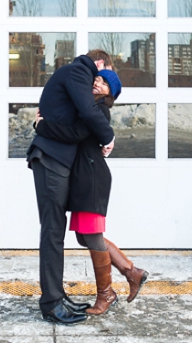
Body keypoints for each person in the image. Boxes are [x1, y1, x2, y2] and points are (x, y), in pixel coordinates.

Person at [35, 70, 148, 315]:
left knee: (93, 236)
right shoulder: (87, 106)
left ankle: (107, 293)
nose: (98, 82)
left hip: (92, 178)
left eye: (105, 83)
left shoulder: (99, 110)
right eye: (97, 79)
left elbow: (74, 134)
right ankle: (132, 273)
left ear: (111, 93)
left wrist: (42, 126)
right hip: (84, 178)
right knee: (84, 237)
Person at [26, 50, 115, 324]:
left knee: (57, 233)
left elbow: (78, 120)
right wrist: (108, 136)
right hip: (50, 160)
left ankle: (57, 296)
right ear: (98, 64)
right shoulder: (79, 71)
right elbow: (88, 110)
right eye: (101, 75)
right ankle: (51, 304)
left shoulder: (75, 79)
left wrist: (41, 123)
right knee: (52, 232)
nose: (96, 83)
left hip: (58, 162)